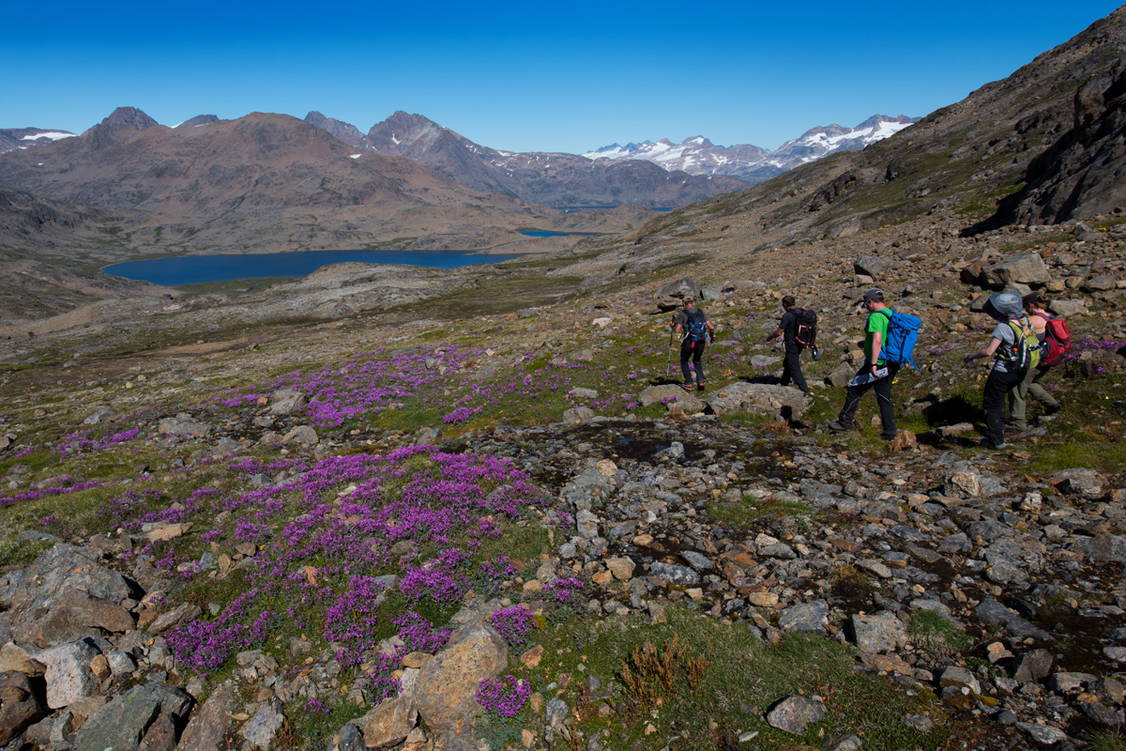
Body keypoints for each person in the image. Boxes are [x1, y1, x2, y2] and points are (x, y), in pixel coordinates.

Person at [962, 291, 1037, 449]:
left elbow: (989, 352)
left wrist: (971, 356)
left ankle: (996, 441)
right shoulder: (1025, 320)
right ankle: (1000, 430)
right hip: (1021, 369)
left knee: (992, 403)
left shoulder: (1003, 327)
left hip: (1003, 371)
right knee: (1000, 399)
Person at [827, 288, 899, 440]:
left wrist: (872, 363)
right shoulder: (891, 314)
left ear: (871, 302)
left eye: (866, 303)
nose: (866, 306)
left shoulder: (876, 317)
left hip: (878, 362)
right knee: (883, 395)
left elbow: (877, 339)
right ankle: (890, 432)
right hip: (891, 362)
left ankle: (844, 423)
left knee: (854, 388)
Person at [1009, 292, 1062, 429]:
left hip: (1034, 360)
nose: (1025, 309)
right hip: (1049, 358)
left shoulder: (1034, 320)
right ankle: (1053, 406)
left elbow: (1020, 335)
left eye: (1026, 306)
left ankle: (1017, 422)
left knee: (1016, 388)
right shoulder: (1052, 317)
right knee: (1030, 383)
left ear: (1031, 305)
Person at [765, 295, 809, 394]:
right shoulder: (801, 311)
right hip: (801, 342)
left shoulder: (788, 316)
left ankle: (805, 391)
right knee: (788, 362)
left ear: (785, 304)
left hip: (792, 344)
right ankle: (784, 382)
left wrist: (770, 337)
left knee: (794, 368)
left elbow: (779, 332)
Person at [671, 297, 715, 391]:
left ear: (683, 304)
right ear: (693, 302)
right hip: (701, 340)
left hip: (690, 341)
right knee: (697, 360)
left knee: (684, 360)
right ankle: (701, 381)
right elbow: (711, 327)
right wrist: (712, 337)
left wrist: (672, 326)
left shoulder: (683, 314)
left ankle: (688, 383)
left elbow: (677, 330)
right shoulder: (701, 312)